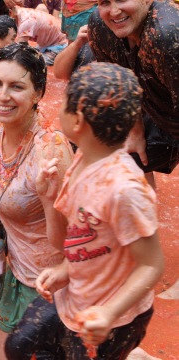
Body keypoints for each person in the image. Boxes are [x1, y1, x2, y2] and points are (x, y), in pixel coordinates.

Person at [4, 62, 165, 360]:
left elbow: (152, 265)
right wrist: (64, 267)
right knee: (18, 347)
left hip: (114, 320)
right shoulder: (81, 161)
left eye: (63, 99)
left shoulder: (125, 189)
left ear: (77, 120)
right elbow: (75, 239)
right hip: (77, 294)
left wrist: (108, 312)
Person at [0, 42, 72, 360]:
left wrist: (48, 201)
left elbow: (80, 239)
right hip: (14, 272)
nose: (2, 96)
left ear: (38, 94)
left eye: (16, 86)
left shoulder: (51, 151)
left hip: (51, 288)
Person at [88, 0, 179, 301]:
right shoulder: (101, 26)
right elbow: (120, 82)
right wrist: (136, 130)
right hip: (157, 101)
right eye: (104, 1)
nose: (113, 11)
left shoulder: (168, 35)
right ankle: (141, 253)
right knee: (129, 155)